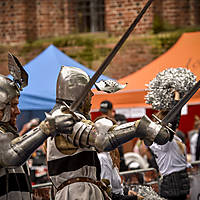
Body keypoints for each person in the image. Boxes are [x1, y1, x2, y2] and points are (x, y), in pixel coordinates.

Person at [46, 66, 171, 200]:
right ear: (78, 92)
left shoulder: (71, 117)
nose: (92, 95)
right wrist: (140, 127)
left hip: (83, 191)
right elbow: (102, 140)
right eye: (88, 91)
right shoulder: (63, 118)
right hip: (75, 194)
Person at [0, 54, 76, 200]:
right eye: (14, 105)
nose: (18, 111)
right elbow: (10, 157)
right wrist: (47, 128)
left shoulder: (10, 137)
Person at [145, 67, 194, 200]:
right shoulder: (160, 138)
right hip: (172, 181)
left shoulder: (172, 136)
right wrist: (178, 99)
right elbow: (175, 121)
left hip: (180, 178)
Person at [95, 101, 141, 199]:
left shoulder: (109, 156)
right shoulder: (103, 158)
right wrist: (133, 199)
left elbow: (115, 188)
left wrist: (127, 191)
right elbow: (107, 194)